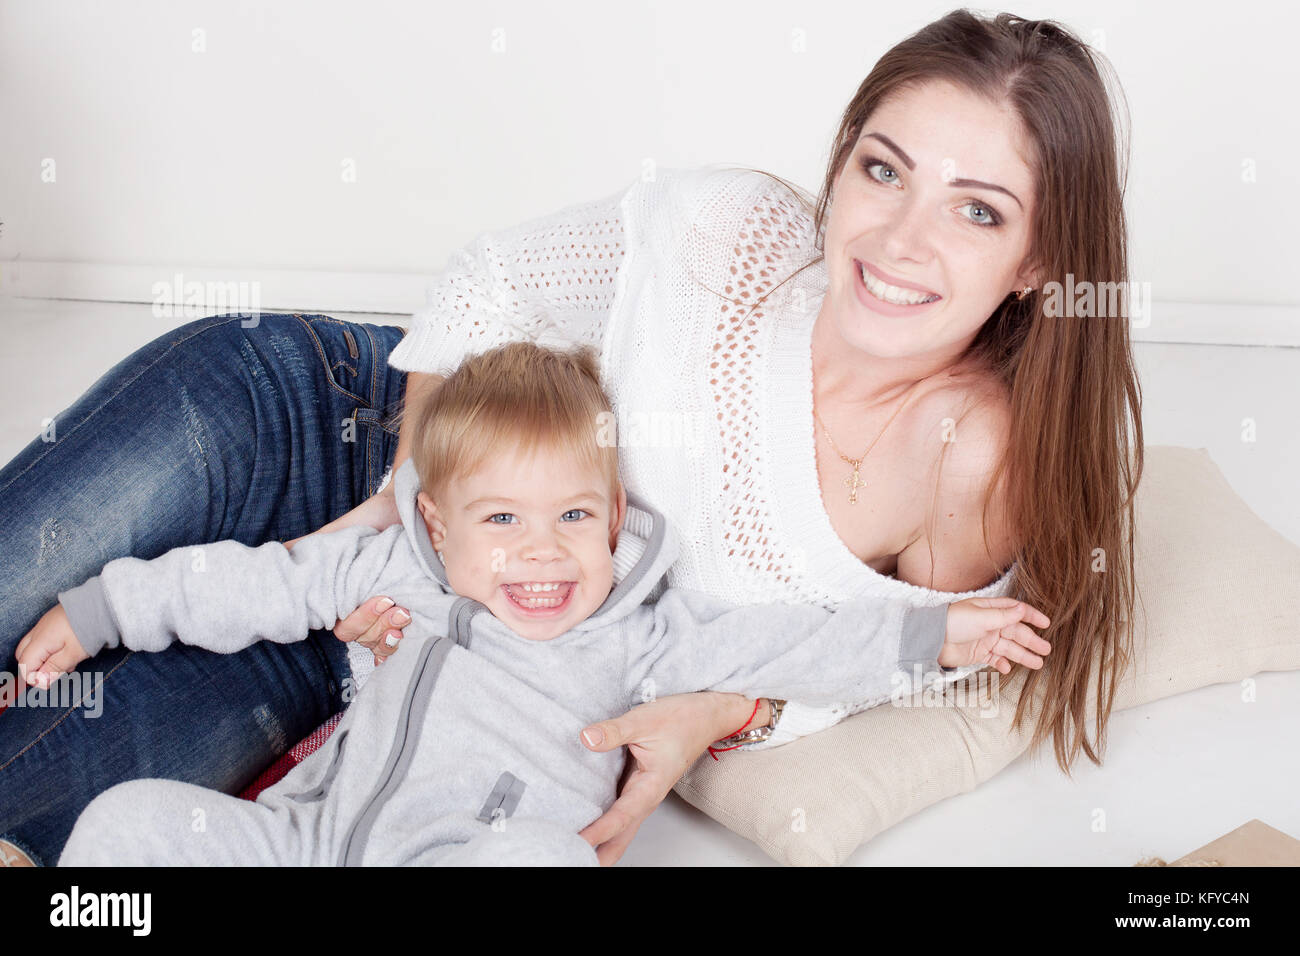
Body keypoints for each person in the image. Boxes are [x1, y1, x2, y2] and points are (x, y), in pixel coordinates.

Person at [0, 9, 1141, 867]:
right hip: (338, 440)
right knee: (24, 588)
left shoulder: (965, 456)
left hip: (393, 662)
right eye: (881, 168)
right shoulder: (734, 229)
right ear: (841, 162)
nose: (899, 235)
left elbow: (874, 654)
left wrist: (715, 713)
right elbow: (493, 281)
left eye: (976, 207)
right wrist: (408, 496)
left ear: (1039, 259)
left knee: (47, 807)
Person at [37, 342, 1050, 866]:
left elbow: (791, 641)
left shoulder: (643, 631)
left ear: (612, 513)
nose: (541, 552)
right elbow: (251, 583)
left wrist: (938, 629)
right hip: (313, 844)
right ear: (436, 525)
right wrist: (101, 610)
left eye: (571, 513)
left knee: (539, 860)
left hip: (473, 855)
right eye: (501, 521)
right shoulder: (392, 572)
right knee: (129, 822)